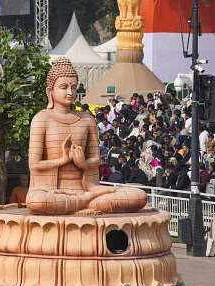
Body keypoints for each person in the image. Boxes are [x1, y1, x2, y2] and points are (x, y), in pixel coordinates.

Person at [25, 57, 147, 215]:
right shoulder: (41, 119)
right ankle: (88, 201)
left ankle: (82, 201)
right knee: (37, 202)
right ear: (50, 91)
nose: (70, 92)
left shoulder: (87, 120)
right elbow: (34, 164)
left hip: (84, 187)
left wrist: (82, 163)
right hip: (51, 191)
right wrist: (62, 160)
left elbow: (96, 160)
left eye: (73, 87)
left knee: (138, 196)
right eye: (63, 87)